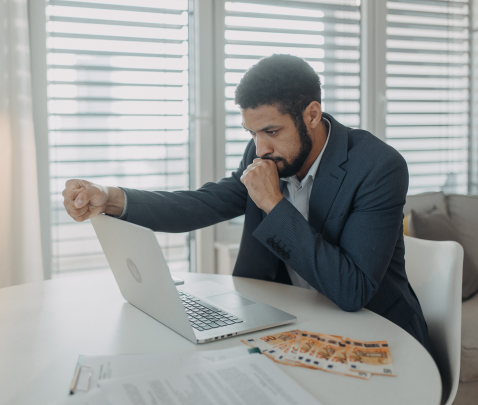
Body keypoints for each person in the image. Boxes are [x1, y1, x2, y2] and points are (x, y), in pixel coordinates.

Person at [62, 54, 432, 353]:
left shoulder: (378, 166)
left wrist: (273, 203)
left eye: (271, 131)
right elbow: (204, 203)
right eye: (252, 132)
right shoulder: (266, 152)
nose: (260, 148)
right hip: (294, 322)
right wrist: (111, 198)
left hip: (378, 335)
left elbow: (353, 290)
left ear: (312, 115)